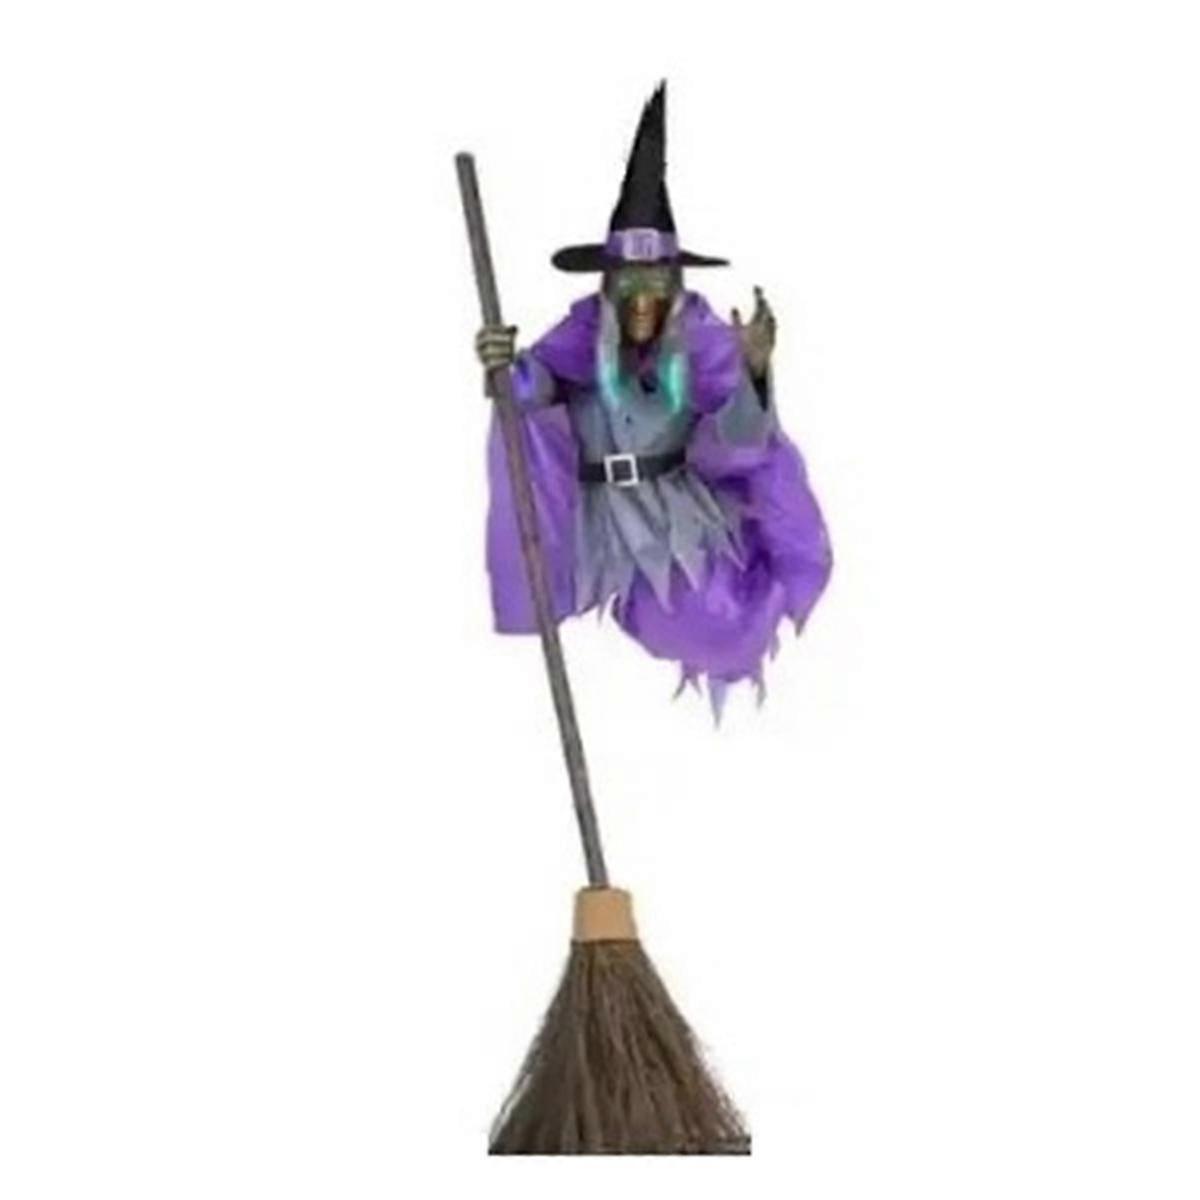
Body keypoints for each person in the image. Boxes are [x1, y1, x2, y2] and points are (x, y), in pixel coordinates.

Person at [476, 83, 831, 716]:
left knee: (719, 623)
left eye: (656, 286)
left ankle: (733, 603)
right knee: (669, 613)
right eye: (629, 286)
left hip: (674, 515)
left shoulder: (700, 335)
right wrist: (508, 367)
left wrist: (753, 372)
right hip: (603, 518)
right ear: (610, 285)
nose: (642, 302)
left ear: (674, 285)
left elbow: (739, 442)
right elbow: (537, 390)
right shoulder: (584, 330)